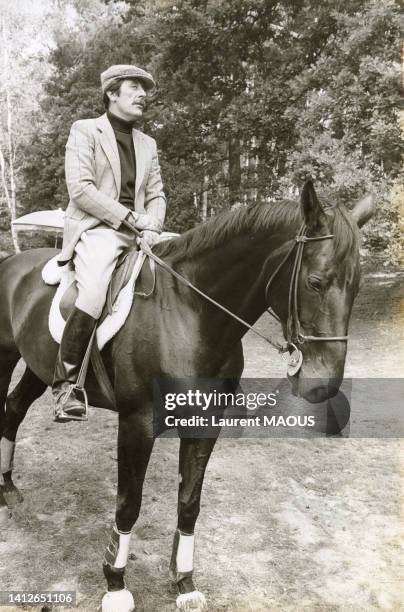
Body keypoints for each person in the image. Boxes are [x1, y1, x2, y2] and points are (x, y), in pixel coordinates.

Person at [52, 64, 166, 422]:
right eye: (134, 87)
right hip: (98, 227)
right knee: (94, 289)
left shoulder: (148, 143)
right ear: (112, 93)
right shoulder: (85, 130)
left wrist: (154, 225)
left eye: (145, 89)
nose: (142, 94)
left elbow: (158, 193)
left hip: (144, 231)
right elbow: (81, 189)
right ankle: (67, 384)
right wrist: (131, 219)